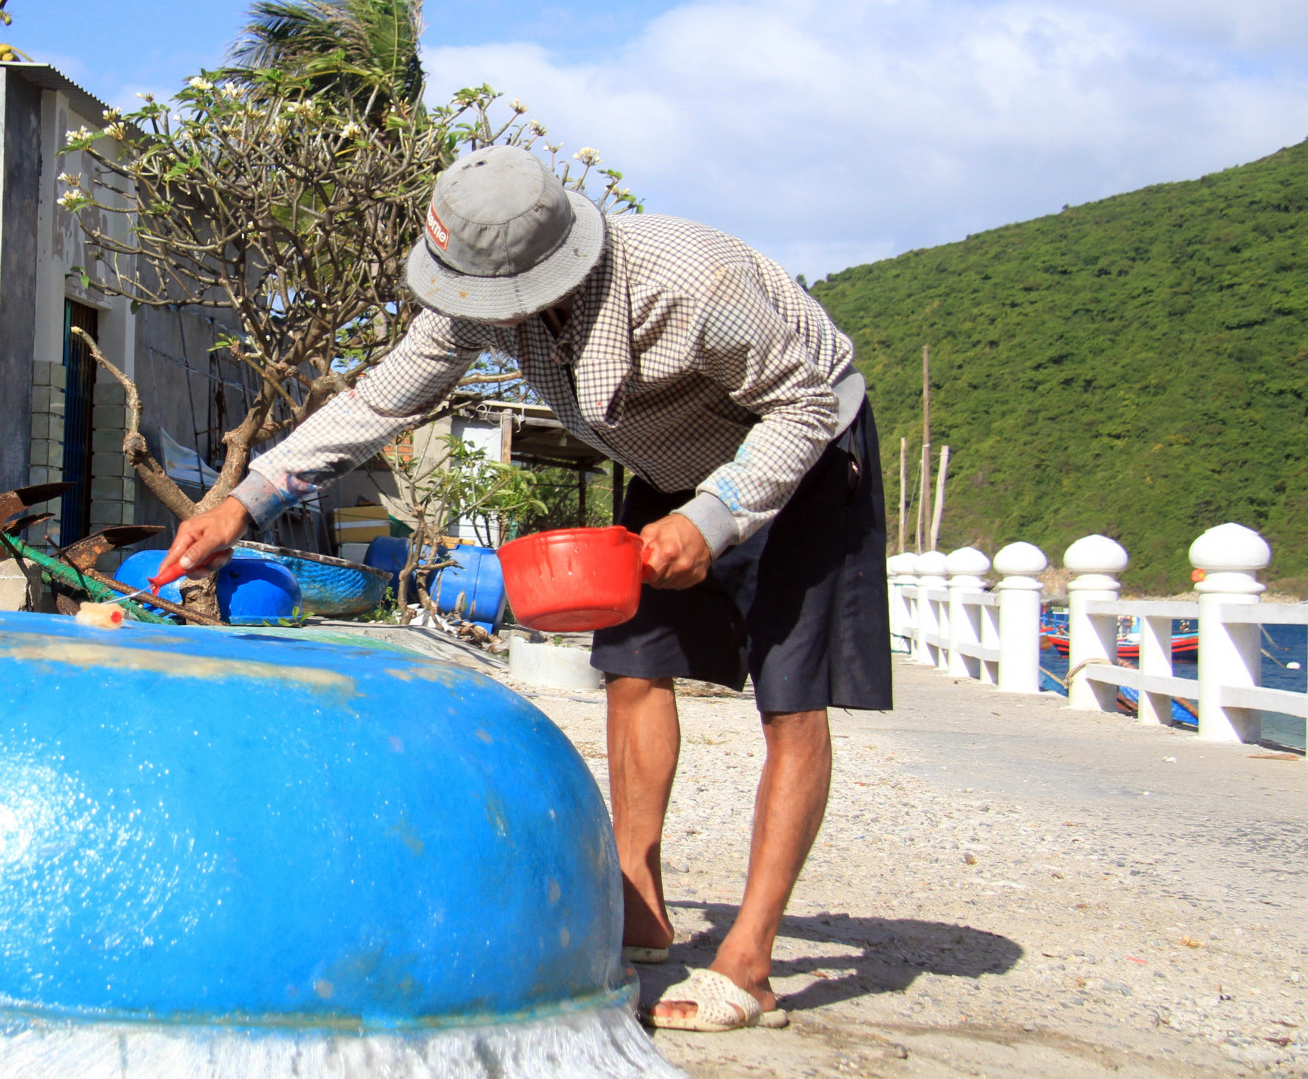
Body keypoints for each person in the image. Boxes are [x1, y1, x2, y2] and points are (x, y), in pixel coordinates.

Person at [160, 143, 892, 1033]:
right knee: (634, 662)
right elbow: (381, 401)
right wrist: (247, 499)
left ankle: (751, 961)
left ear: (562, 260)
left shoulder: (692, 281)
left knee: (791, 695)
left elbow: (810, 401)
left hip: (804, 450)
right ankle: (641, 903)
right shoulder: (480, 298)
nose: (487, 312)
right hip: (669, 458)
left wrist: (715, 517)